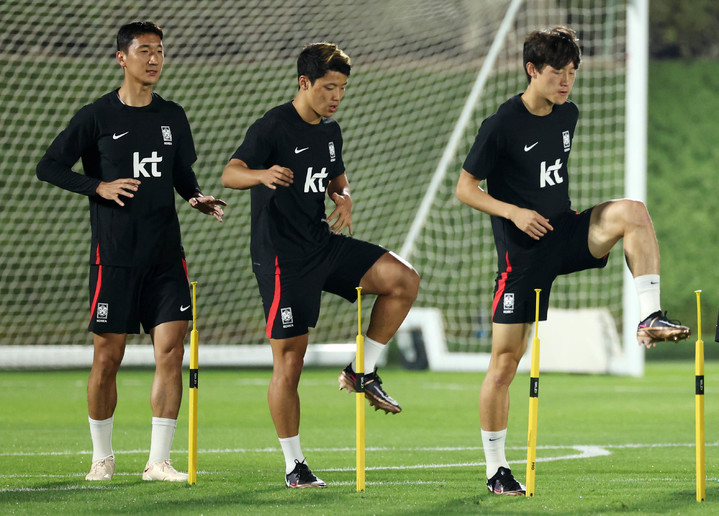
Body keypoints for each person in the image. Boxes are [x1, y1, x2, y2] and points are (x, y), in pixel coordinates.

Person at [455, 26, 690, 495]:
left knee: (633, 213)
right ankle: (497, 469)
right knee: (504, 365)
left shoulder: (569, 115)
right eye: (558, 72)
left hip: (564, 233)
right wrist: (515, 212)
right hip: (522, 256)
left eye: (573, 72)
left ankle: (650, 317)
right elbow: (465, 189)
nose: (567, 81)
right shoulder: (500, 125)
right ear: (531, 70)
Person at [222, 42, 420, 488]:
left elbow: (337, 178)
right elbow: (230, 173)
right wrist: (260, 175)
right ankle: (295, 465)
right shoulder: (272, 126)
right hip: (282, 259)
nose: (336, 96)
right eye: (329, 86)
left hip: (322, 245)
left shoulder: (330, 132)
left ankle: (361, 370)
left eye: (343, 88)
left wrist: (343, 196)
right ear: (304, 82)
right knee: (289, 363)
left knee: (403, 280)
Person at [36, 21, 226, 482]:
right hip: (115, 256)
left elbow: (181, 173)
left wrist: (195, 196)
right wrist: (97, 185)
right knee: (108, 358)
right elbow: (49, 166)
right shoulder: (97, 116)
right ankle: (102, 456)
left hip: (165, 255)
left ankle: (158, 461)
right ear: (122, 57)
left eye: (160, 50)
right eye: (144, 51)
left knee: (171, 349)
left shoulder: (173, 116)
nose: (155, 59)